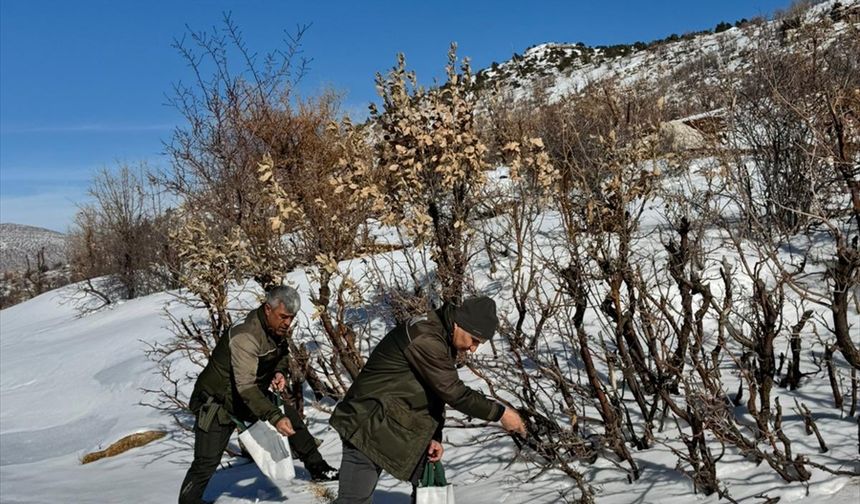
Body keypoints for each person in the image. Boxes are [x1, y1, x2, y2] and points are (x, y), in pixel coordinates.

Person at [329, 296, 527, 503]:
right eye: (474, 340)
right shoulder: (426, 337)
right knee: (353, 501)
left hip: (391, 422)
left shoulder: (440, 333)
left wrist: (435, 436)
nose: (473, 348)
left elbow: (434, 393)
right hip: (367, 422)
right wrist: (501, 413)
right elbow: (453, 392)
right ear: (460, 324)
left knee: (431, 492)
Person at [179, 286, 338, 504]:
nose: (288, 323)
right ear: (267, 309)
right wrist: (274, 416)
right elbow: (245, 387)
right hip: (217, 402)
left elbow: (280, 353)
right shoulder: (246, 335)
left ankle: (319, 469)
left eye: (291, 318)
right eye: (283, 317)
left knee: (293, 422)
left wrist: (279, 370)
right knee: (206, 462)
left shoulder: (275, 329)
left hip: (247, 394)